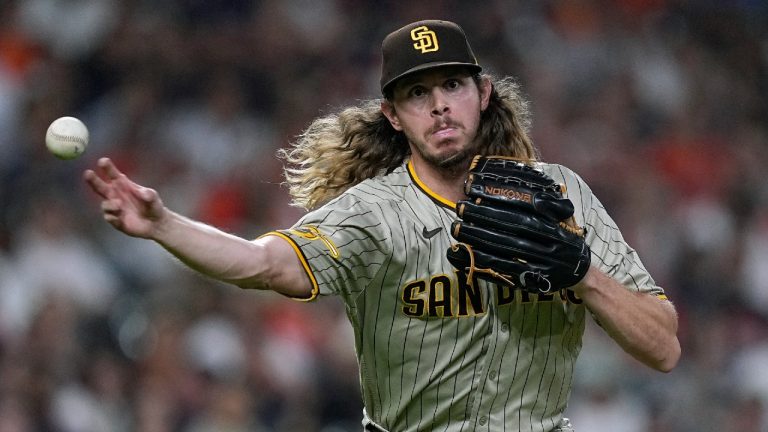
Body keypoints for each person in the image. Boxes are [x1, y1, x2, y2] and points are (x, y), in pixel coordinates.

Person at [84, 19, 680, 432]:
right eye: (418, 94)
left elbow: (663, 347)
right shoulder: (372, 212)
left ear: (484, 92)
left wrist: (584, 276)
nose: (440, 104)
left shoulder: (560, 193)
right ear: (394, 116)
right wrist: (164, 225)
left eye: (452, 84)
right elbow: (263, 262)